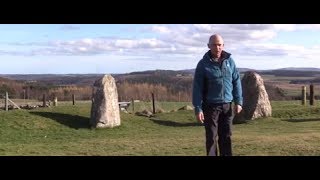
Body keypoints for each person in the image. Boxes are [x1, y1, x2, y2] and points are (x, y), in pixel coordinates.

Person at [192, 34, 243, 156]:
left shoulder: (230, 61)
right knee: (211, 138)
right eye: (214, 45)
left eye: (219, 44)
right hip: (210, 107)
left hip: (227, 105)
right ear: (208, 46)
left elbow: (236, 81)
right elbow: (197, 88)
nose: (217, 47)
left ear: (223, 45)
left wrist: (239, 101)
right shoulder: (203, 64)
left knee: (226, 136)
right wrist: (198, 108)